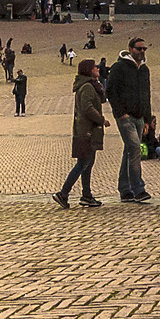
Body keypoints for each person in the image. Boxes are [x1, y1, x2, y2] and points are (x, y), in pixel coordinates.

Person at [104, 37, 153, 205]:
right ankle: (138, 189)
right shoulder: (119, 67)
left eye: (144, 49)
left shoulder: (145, 69)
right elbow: (110, 91)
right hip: (125, 117)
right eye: (139, 49)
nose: (142, 52)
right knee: (135, 148)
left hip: (139, 116)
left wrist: (148, 118)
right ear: (130, 49)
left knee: (129, 151)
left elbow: (147, 94)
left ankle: (125, 190)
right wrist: (120, 113)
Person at [55, 60, 107, 208]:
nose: (97, 68)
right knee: (83, 163)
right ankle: (63, 193)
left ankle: (86, 195)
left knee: (87, 164)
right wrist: (101, 119)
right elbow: (87, 108)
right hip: (87, 132)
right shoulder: (87, 87)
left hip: (87, 131)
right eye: (95, 67)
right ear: (89, 70)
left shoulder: (89, 86)